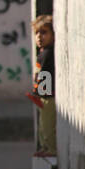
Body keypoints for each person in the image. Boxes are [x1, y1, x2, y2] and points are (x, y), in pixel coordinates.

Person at [30, 15, 55, 157]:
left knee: (47, 125)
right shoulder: (43, 53)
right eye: (37, 33)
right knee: (42, 125)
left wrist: (38, 93)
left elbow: (44, 76)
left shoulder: (47, 54)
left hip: (48, 97)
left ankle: (51, 149)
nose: (39, 37)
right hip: (43, 96)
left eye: (44, 32)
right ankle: (45, 148)